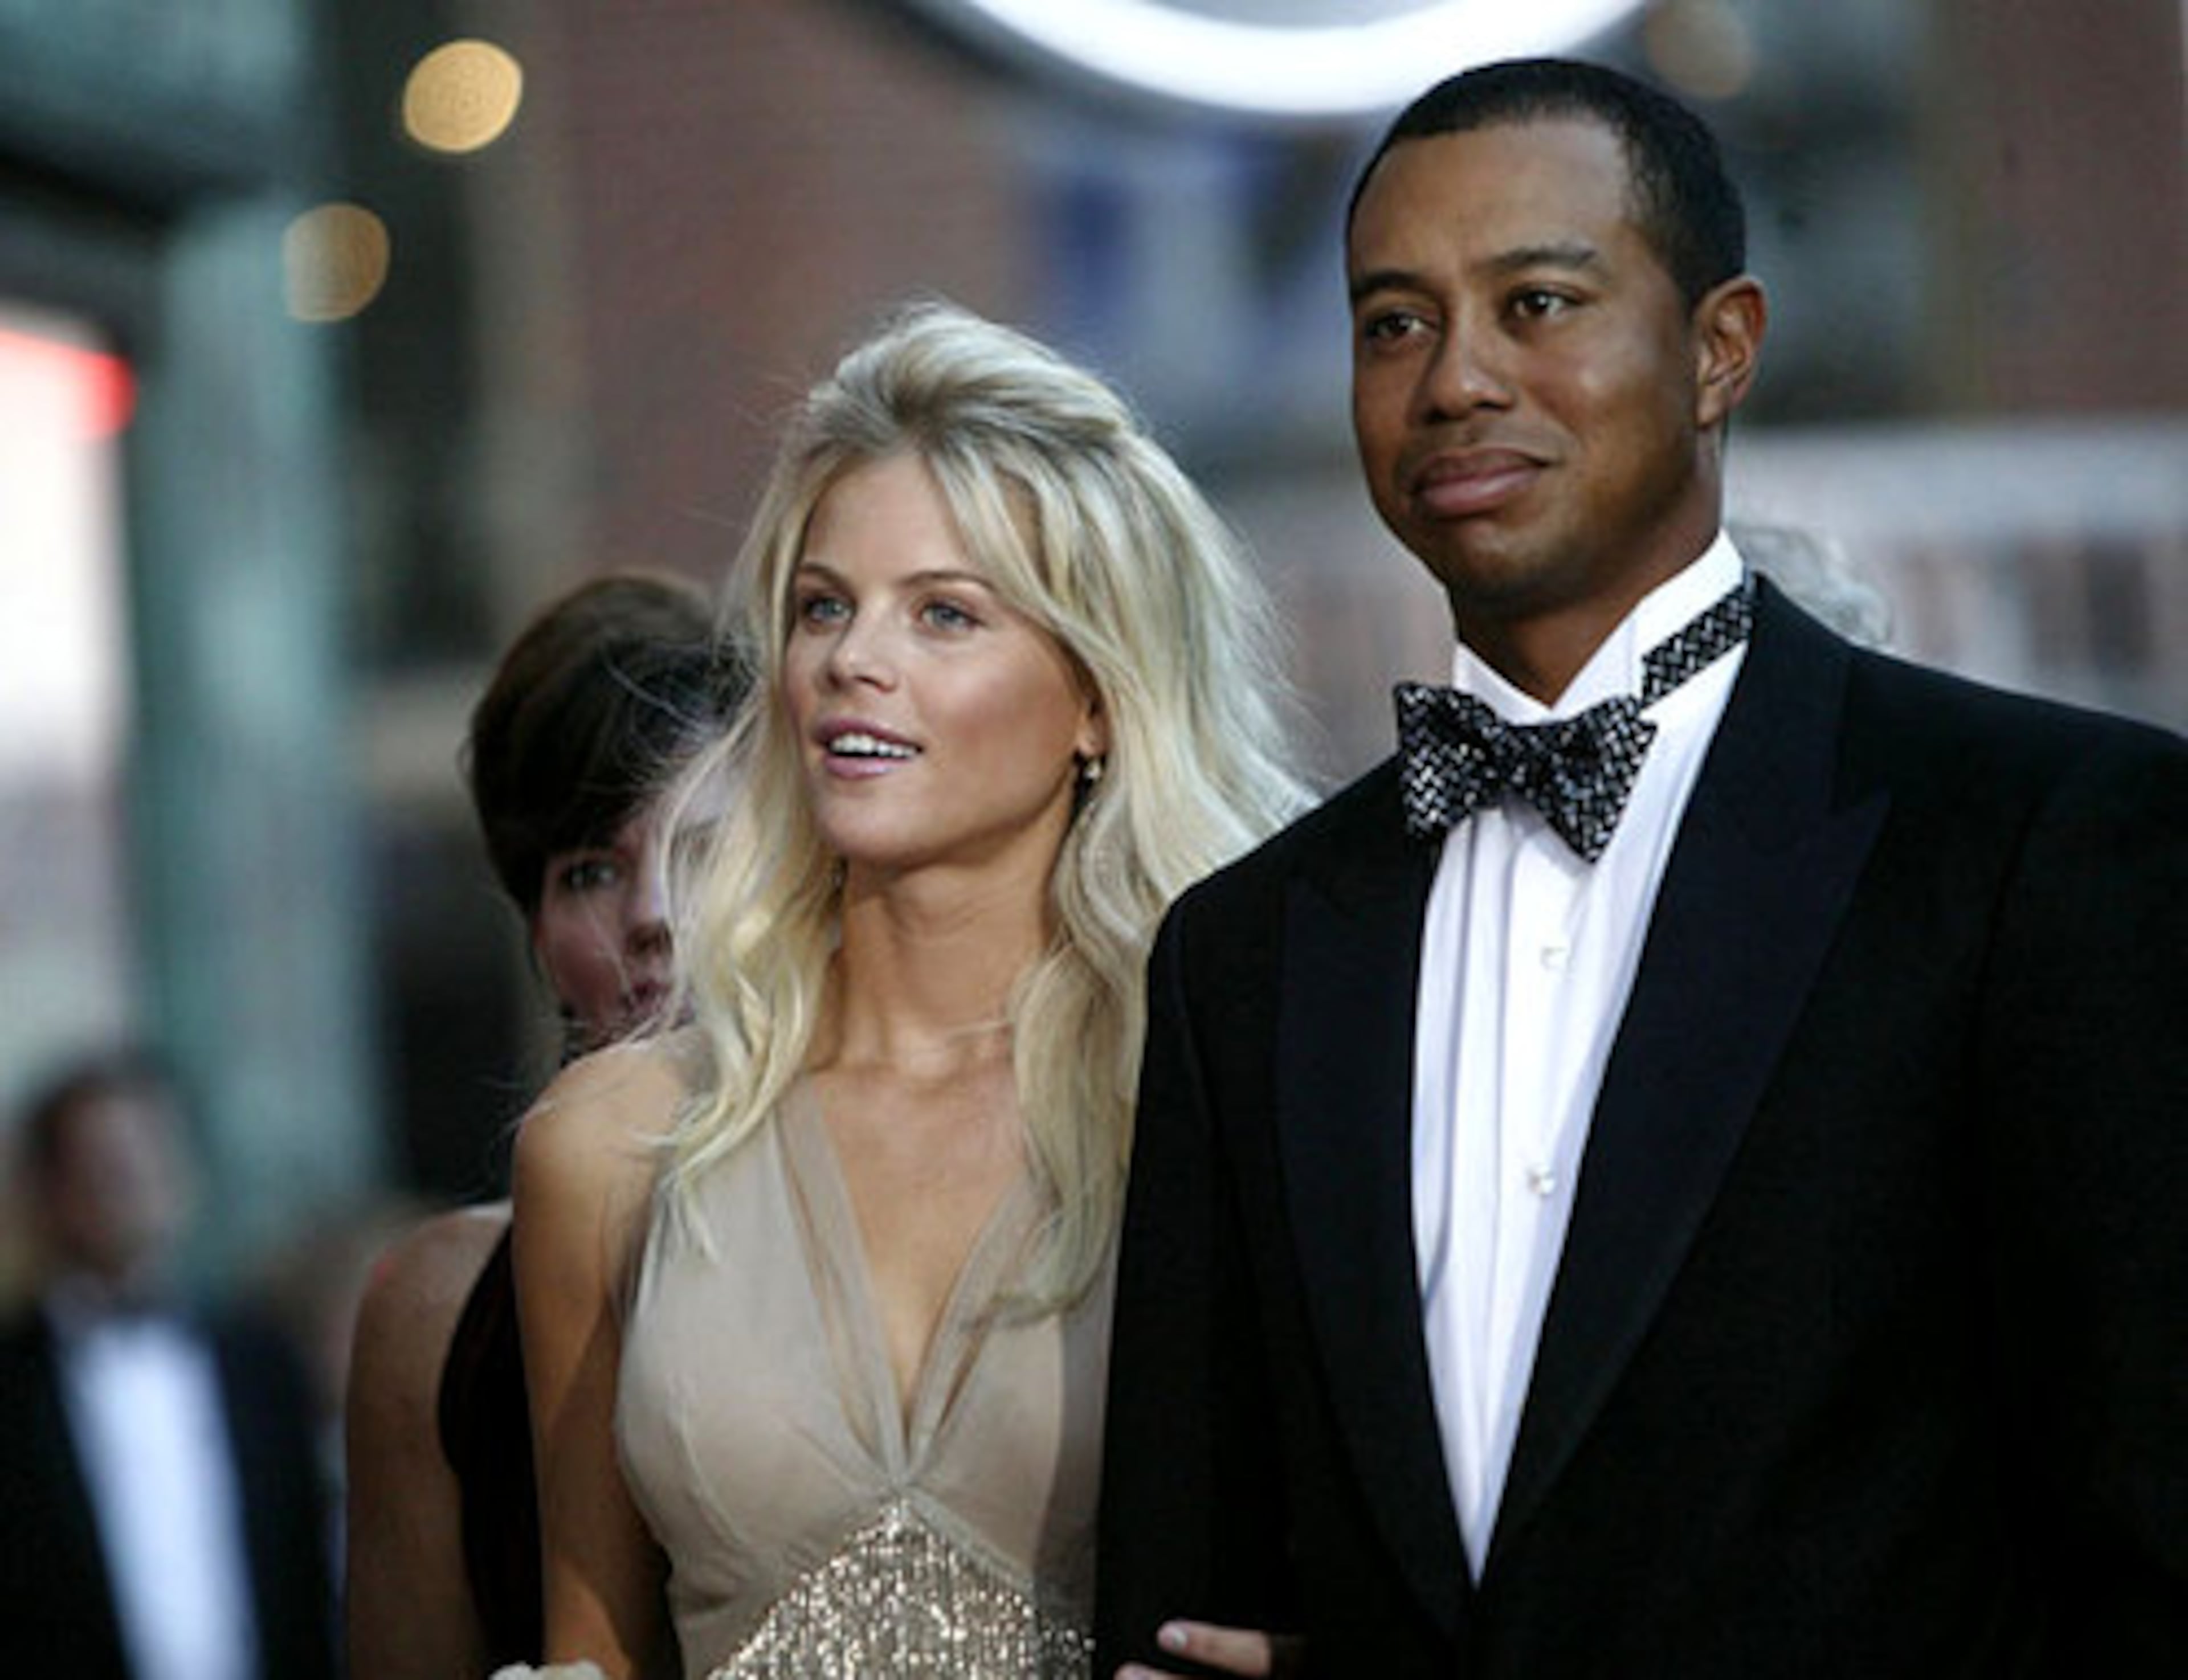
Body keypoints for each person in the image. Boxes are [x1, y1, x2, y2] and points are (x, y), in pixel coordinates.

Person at [1095, 56, 2188, 1678]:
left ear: (1719, 348)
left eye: (1537, 302)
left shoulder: (2042, 841)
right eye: (1394, 322)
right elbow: (1186, 1610)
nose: (1457, 377)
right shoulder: (1248, 952)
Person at [511, 301, 1312, 1679]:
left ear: (1097, 701)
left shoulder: (1236, 1102)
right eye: (823, 605)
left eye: (943, 612)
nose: (851, 660)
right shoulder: (611, 1148)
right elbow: (590, 1656)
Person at [345, 573, 734, 1679]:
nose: (654, 915)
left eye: (704, 849)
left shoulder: (934, 1213)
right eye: (594, 869)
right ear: (538, 934)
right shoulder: (437, 1311)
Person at [0, 1049, 337, 1679]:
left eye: (150, 1154)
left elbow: (303, 1570)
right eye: (103, 1163)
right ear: (51, 1189)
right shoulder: (14, 1386)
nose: (131, 1182)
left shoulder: (261, 1363)